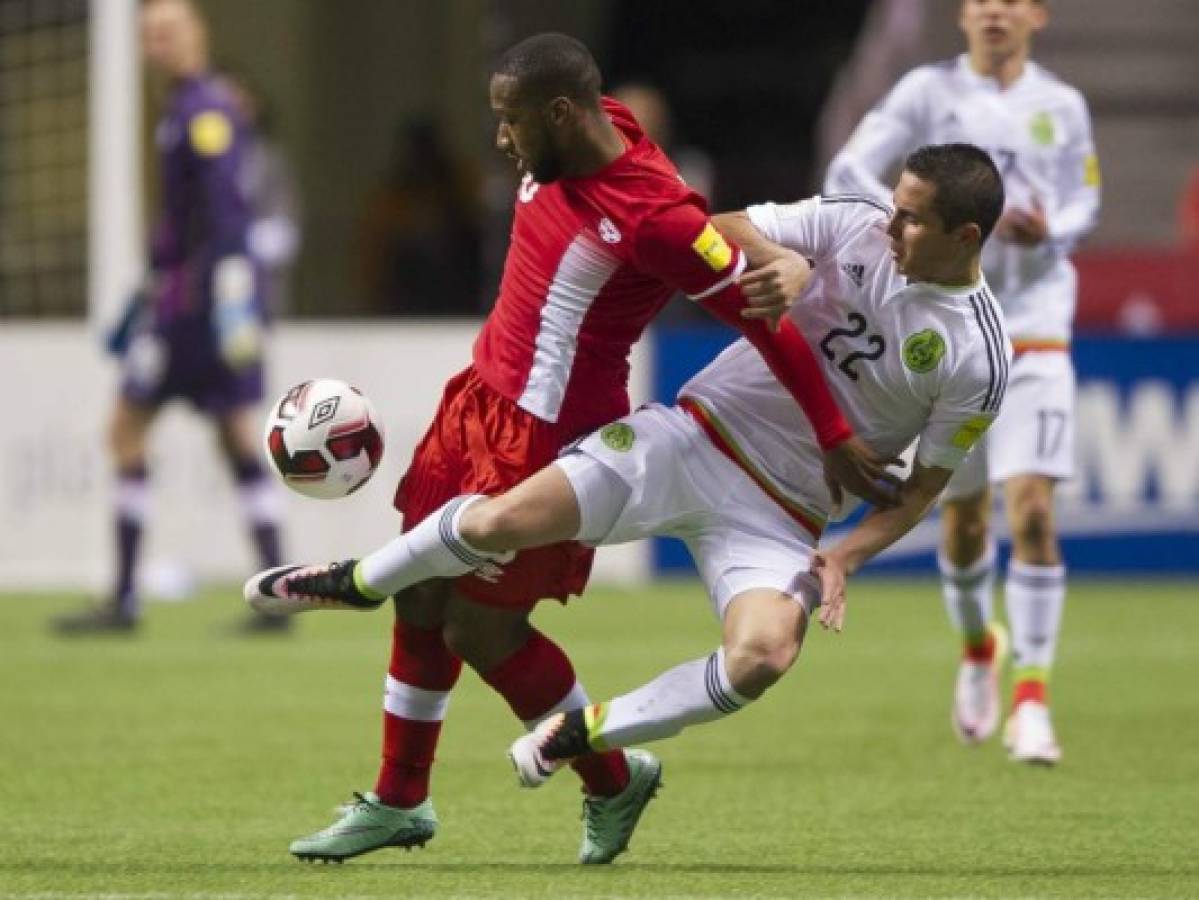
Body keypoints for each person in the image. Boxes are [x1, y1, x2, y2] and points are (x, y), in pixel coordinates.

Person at [244, 33, 898, 865]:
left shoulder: (656, 217)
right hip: (476, 396)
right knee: (423, 605)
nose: (501, 140)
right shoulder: (596, 121)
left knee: (481, 628)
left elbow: (760, 320)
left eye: (510, 122)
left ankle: (609, 777)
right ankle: (399, 800)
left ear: (558, 113)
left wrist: (835, 436)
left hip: (546, 436)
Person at [256, 145, 1010, 797]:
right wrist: (779, 257)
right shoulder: (855, 220)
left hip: (781, 516)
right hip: (691, 440)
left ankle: (583, 734)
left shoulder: (977, 355)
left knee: (763, 655)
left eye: (912, 219)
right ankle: (359, 582)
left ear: (965, 235)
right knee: (495, 519)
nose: (891, 225)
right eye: (895, 206)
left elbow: (919, 493)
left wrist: (842, 557)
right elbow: (715, 232)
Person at [824, 0, 1100, 764]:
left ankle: (1033, 699)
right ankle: (979, 647)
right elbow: (846, 167)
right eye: (980, 0)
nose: (992, 14)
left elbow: (1085, 195)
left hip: (1036, 326)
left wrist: (1056, 227)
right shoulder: (923, 91)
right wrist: (914, 221)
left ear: (1037, 15)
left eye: (1009, 2)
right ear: (963, 13)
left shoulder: (1061, 105)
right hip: (951, 336)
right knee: (965, 519)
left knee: (1035, 513)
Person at [54, 0, 287, 635]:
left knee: (126, 429)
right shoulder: (194, 106)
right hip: (200, 298)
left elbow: (222, 209)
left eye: (169, 33)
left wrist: (221, 288)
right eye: (150, 36)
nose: (158, 46)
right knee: (236, 435)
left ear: (197, 35)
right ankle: (279, 591)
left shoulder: (202, 111)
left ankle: (126, 598)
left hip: (192, 307)